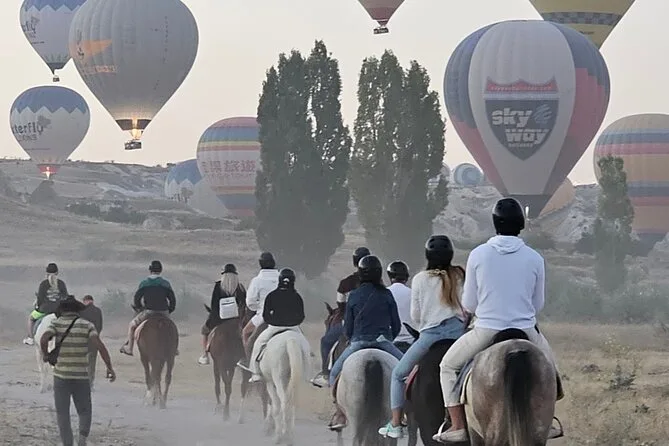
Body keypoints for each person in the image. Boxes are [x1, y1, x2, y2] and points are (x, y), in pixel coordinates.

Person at [433, 198, 562, 443]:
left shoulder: (478, 254)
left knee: (447, 366)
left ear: (495, 223)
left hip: (486, 329)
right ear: (521, 224)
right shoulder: (535, 258)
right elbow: (538, 304)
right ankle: (545, 422)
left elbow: (469, 303)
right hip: (526, 329)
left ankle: (457, 426)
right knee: (551, 371)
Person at [378, 237, 466, 439]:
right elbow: (468, 305)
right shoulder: (459, 275)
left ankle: (396, 423)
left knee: (398, 374)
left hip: (430, 336)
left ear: (427, 256)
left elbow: (415, 316)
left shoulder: (420, 279)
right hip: (458, 335)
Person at [326, 254, 404, 431]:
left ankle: (339, 413)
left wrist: (352, 339)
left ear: (361, 273)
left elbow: (348, 327)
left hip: (358, 343)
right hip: (383, 342)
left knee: (334, 373)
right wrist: (388, 339)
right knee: (409, 372)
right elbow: (396, 324)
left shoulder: (354, 294)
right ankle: (404, 412)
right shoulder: (387, 294)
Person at [39, 295, 116, 446]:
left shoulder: (56, 323)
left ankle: (67, 443)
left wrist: (46, 354)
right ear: (77, 310)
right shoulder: (87, 325)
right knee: (85, 410)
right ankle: (82, 438)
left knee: (62, 413)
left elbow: (43, 338)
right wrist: (109, 367)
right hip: (81, 376)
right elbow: (100, 346)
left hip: (61, 376)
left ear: (62, 310)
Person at [311, 246, 370, 388]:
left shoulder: (346, 283)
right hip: (374, 326)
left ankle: (326, 373)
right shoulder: (380, 284)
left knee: (326, 341)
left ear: (355, 262)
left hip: (350, 325)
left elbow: (341, 307)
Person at [248, 267, 308, 382]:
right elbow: (301, 316)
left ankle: (256, 372)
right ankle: (308, 373)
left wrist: (274, 321)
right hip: (293, 328)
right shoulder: (297, 297)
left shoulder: (272, 295)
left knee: (258, 344)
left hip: (274, 328)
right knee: (306, 347)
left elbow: (266, 316)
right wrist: (292, 322)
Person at [120, 260, 176, 356]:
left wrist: (139, 308)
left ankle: (129, 348)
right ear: (161, 270)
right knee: (172, 329)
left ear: (150, 270)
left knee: (132, 325)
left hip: (149, 312)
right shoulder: (166, 283)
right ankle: (174, 348)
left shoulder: (144, 283)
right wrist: (169, 310)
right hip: (163, 311)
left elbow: (137, 298)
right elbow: (172, 300)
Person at [237, 252, 279, 370]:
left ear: (260, 264)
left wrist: (258, 308)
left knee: (245, 333)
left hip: (263, 316)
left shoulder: (257, 280)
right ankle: (308, 352)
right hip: (283, 316)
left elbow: (250, 302)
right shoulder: (281, 277)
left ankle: (249, 363)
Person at [198, 264, 246, 365]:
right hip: (236, 320)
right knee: (245, 334)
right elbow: (243, 305)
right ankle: (244, 356)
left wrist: (214, 317)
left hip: (219, 319)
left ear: (223, 274)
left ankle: (205, 355)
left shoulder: (218, 286)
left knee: (205, 330)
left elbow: (214, 305)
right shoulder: (240, 287)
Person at [24, 262, 68, 345]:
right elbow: (65, 297)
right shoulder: (61, 284)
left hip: (45, 310)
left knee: (31, 318)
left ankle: (30, 338)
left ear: (47, 273)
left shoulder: (43, 284)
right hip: (59, 311)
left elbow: (40, 299)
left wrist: (37, 306)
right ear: (57, 273)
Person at [385, 260, 415, 352]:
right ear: (406, 276)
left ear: (390, 276)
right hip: (411, 342)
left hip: (388, 342)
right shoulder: (413, 294)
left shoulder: (383, 294)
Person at [79, 295, 103, 391]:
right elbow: (100, 326)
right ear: (92, 301)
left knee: (81, 362)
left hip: (82, 340)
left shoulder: (81, 311)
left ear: (85, 301)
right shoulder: (98, 311)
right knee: (92, 363)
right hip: (94, 339)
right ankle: (90, 383)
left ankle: (81, 382)